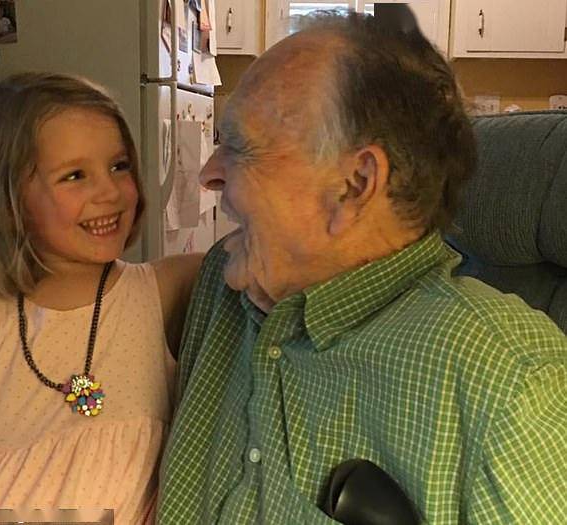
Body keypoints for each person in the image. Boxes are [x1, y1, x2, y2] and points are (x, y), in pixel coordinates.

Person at [157, 10, 567, 525]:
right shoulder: (224, 286)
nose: (208, 174)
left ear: (354, 185)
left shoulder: (509, 388)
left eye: (239, 146)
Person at [0, 72, 201, 525]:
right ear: (8, 201)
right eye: (75, 175)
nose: (109, 192)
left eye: (119, 166)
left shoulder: (166, 290)